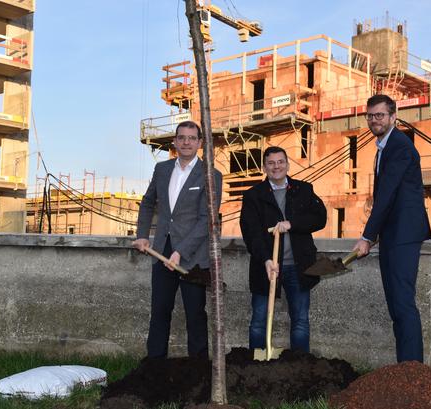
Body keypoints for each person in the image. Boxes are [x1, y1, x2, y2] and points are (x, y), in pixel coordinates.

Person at [352, 94, 431, 363]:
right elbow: (388, 197)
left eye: (380, 115)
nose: (375, 120)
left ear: (393, 116)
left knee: (402, 304)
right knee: (396, 305)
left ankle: (412, 370)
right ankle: (405, 368)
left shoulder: (399, 146)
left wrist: (367, 236)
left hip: (404, 234)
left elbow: (386, 195)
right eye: (370, 116)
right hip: (394, 234)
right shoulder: (384, 147)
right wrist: (377, 235)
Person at [133, 120, 222, 358]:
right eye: (181, 137)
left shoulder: (211, 175)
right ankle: (154, 369)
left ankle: (199, 373)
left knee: (195, 314)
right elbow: (148, 202)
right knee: (160, 312)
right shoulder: (162, 170)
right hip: (161, 251)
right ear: (174, 141)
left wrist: (180, 251)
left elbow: (207, 220)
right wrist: (142, 235)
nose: (186, 142)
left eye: (192, 138)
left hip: (192, 259)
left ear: (200, 143)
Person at [240, 146, 327, 353]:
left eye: (280, 162)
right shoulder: (253, 195)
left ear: (287, 164)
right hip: (268, 267)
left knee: (300, 321)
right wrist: (265, 260)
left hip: (299, 267)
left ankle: (299, 366)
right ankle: (256, 367)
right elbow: (251, 232)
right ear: (264, 167)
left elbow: (320, 218)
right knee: (259, 321)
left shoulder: (303, 189)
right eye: (271, 163)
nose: (276, 166)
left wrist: (292, 224)